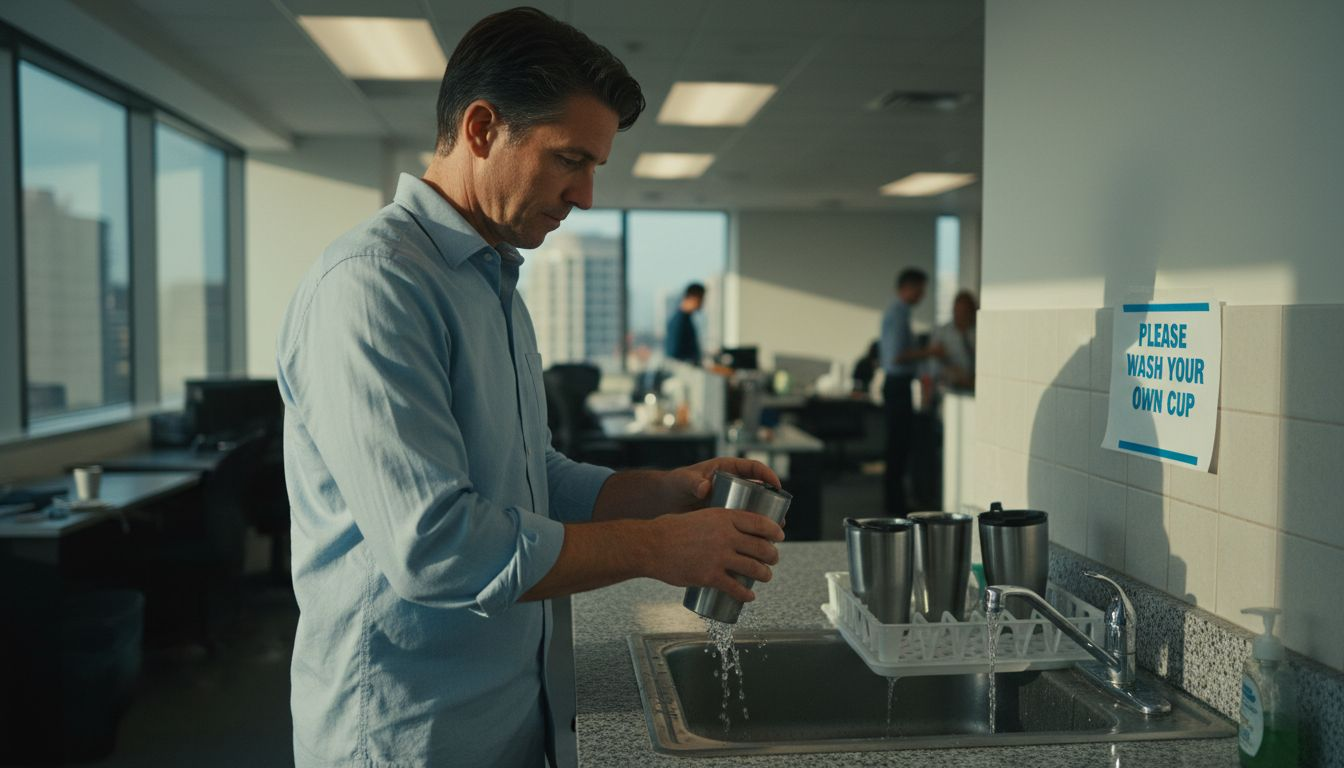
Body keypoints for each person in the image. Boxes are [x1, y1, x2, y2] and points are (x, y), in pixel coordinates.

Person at [274, 9, 784, 768]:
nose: (585, 196)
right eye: (568, 159)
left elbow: (529, 475)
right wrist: (657, 548)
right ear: (482, 128)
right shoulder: (373, 286)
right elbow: (435, 546)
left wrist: (662, 492)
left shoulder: (493, 284)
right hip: (409, 734)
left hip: (512, 711)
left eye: (595, 168)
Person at [879, 268, 941, 516]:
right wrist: (930, 352)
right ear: (908, 287)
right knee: (897, 449)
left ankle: (898, 505)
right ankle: (895, 509)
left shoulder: (900, 313)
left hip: (899, 385)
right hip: (897, 385)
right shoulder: (898, 313)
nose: (922, 295)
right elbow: (897, 355)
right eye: (920, 289)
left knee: (900, 448)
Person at [932, 289, 977, 392]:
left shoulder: (978, 332)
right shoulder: (942, 333)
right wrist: (951, 374)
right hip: (949, 387)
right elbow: (933, 365)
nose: (962, 315)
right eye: (959, 310)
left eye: (966, 311)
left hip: (974, 386)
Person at [664, 282, 705, 364]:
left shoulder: (687, 319)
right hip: (683, 372)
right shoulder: (679, 321)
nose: (703, 303)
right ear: (694, 298)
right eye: (701, 299)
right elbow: (673, 354)